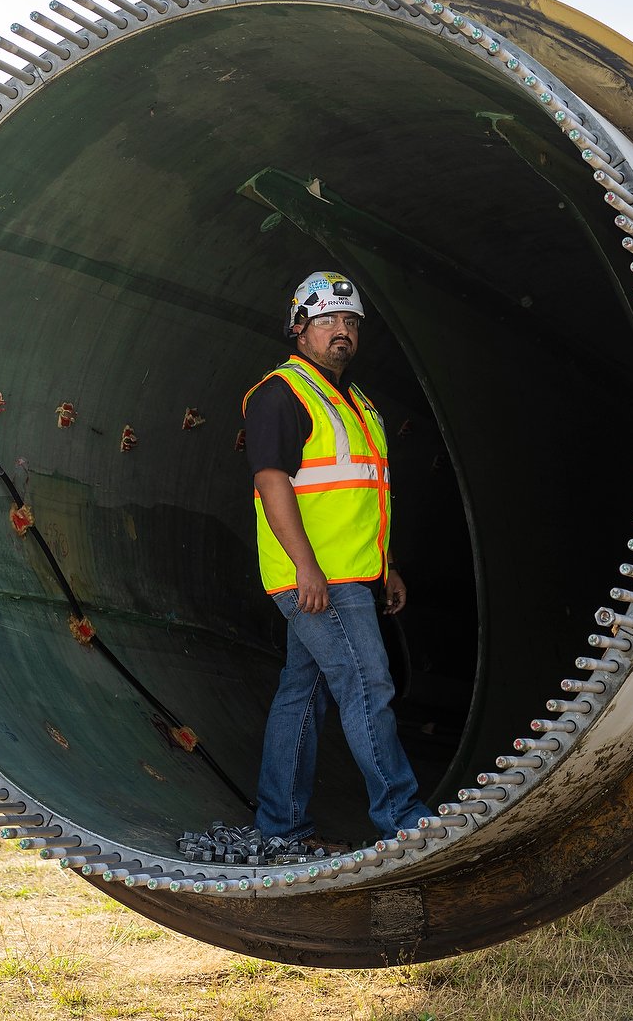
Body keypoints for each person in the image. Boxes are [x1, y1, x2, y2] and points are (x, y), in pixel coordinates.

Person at [242, 270, 427, 856]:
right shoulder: (280, 394)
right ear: (300, 328)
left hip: (353, 574)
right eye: (327, 321)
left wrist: (387, 565)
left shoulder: (357, 400)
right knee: (368, 685)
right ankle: (403, 817)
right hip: (319, 579)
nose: (341, 332)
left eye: (349, 321)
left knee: (304, 692)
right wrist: (307, 570)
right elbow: (272, 483)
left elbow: (367, 492)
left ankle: (280, 828)